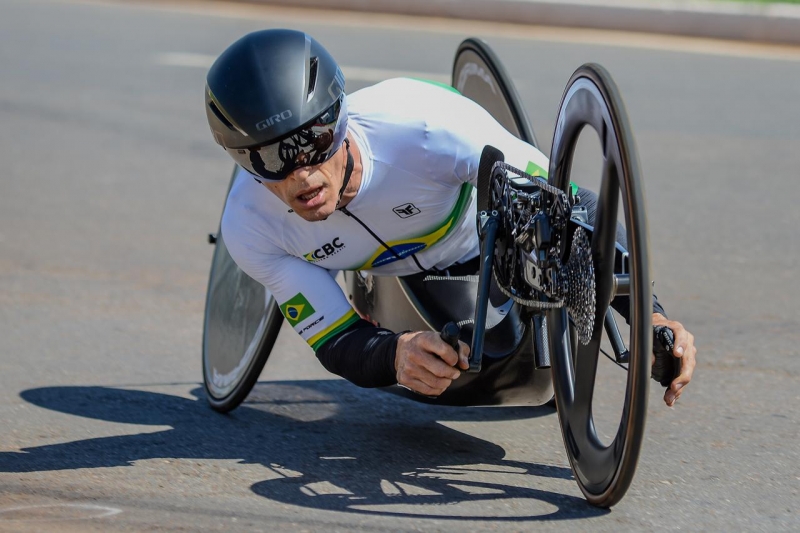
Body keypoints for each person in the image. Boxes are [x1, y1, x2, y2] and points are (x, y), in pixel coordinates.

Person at [205, 29, 696, 407]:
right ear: (243, 163)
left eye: (313, 142)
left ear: (340, 117)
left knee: (523, 360)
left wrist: (649, 312)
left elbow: (576, 207)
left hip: (483, 238)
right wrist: (394, 356)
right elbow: (336, 339)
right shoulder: (249, 227)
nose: (302, 175)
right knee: (461, 381)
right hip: (397, 277)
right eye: (270, 161)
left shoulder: (425, 125)